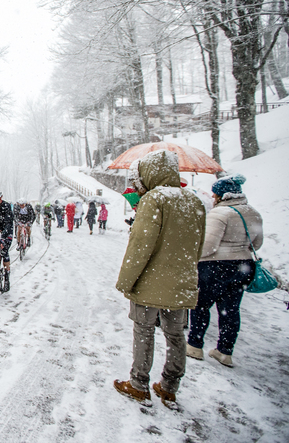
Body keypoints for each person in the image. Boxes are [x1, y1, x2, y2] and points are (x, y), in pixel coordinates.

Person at [114, 151, 206, 409]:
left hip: (150, 282)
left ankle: (139, 384)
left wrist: (125, 281)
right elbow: (197, 246)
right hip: (181, 282)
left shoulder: (153, 200)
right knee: (175, 334)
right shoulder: (193, 200)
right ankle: (169, 386)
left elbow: (140, 246)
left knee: (144, 332)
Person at [186, 174, 263, 368]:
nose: (213, 198)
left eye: (215, 194)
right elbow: (258, 243)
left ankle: (195, 344)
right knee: (230, 310)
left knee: (201, 305)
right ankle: (225, 351)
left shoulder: (220, 214)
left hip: (215, 267)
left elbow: (208, 246)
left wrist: (195, 258)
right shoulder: (254, 213)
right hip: (242, 268)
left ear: (222, 195)